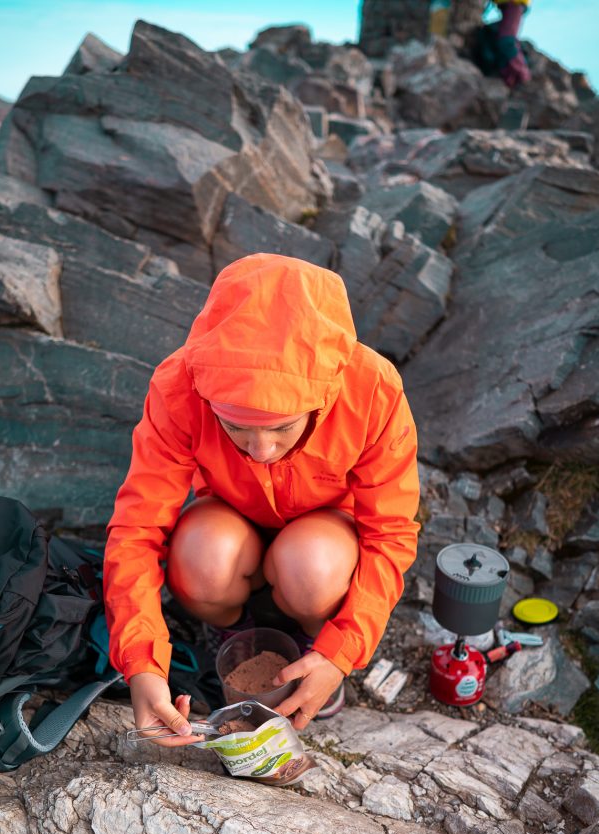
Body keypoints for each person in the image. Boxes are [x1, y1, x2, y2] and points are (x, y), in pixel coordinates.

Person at [103, 254, 420, 745]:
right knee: (201, 559)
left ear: (323, 394)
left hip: (326, 532)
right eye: (235, 427)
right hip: (229, 519)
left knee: (312, 568)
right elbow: (137, 530)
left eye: (282, 427)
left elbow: (391, 531)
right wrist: (141, 664)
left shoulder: (372, 389)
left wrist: (341, 653)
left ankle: (314, 640)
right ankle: (235, 628)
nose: (261, 450)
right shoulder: (179, 385)